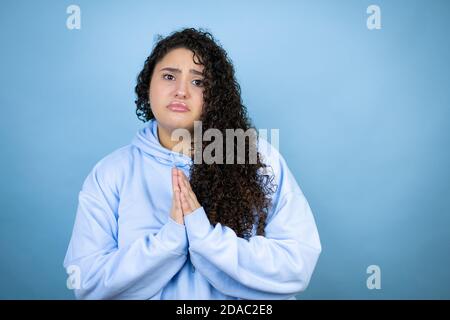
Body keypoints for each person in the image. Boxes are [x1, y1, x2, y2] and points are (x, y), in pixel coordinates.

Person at [63, 27, 322, 300]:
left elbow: (296, 266)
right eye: (169, 76)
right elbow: (87, 282)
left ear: (216, 96)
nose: (181, 91)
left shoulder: (257, 160)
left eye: (198, 82)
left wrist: (204, 237)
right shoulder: (111, 172)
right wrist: (171, 239)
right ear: (147, 85)